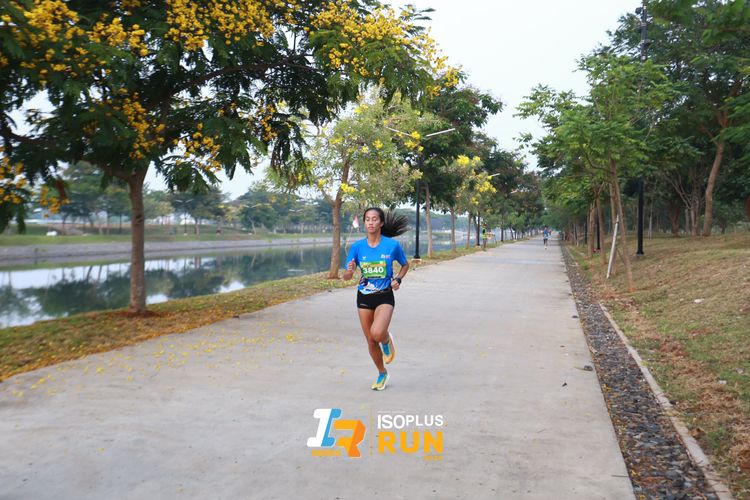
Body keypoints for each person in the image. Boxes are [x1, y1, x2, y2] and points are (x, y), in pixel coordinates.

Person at [342, 208, 409, 391]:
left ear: (381, 223)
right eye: (367, 219)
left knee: (377, 333)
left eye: (374, 219)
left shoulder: (392, 245)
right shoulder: (357, 247)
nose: (370, 223)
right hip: (364, 297)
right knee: (371, 340)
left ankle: (386, 340)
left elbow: (405, 265)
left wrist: (398, 279)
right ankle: (382, 373)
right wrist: (349, 270)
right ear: (364, 223)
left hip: (385, 295)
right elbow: (347, 276)